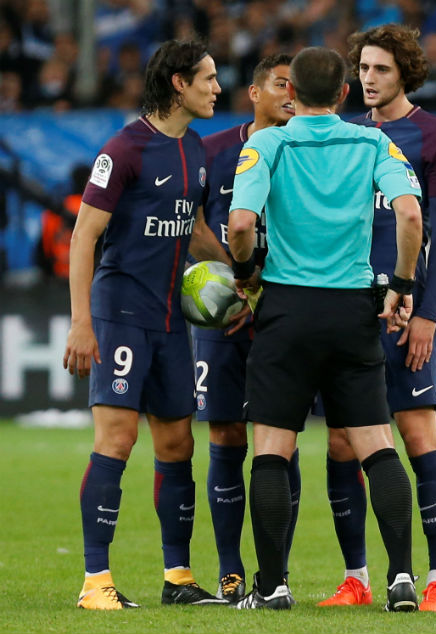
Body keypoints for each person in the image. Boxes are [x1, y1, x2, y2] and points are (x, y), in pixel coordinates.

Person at [227, 46, 423, 612]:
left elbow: (241, 224)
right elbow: (410, 215)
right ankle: (402, 581)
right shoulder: (372, 142)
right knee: (376, 447)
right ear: (342, 93)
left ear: (291, 94)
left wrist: (245, 276)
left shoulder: (266, 143)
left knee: (271, 450)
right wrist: (402, 287)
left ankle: (273, 587)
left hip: (286, 310)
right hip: (351, 312)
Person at [62, 39, 230, 610]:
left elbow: (198, 231)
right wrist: (81, 322)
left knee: (178, 442)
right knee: (117, 438)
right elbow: (84, 236)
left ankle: (178, 578)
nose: (217, 87)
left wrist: (243, 277)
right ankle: (95, 582)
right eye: (207, 78)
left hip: (169, 322)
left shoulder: (197, 149)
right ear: (178, 84)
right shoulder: (124, 149)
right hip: (120, 313)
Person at [315, 24, 436, 613]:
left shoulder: (433, 136)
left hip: (403, 316)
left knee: (418, 434)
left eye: (380, 69)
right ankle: (357, 577)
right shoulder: (343, 134)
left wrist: (427, 314)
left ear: (405, 72)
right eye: (363, 69)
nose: (368, 80)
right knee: (341, 446)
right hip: (347, 312)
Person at [195, 53, 295, 604]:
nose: (291, 94)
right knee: (226, 434)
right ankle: (231, 570)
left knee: (280, 442)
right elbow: (192, 225)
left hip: (283, 314)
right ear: (254, 93)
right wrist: (237, 283)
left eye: (298, 87)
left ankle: (276, 572)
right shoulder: (213, 152)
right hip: (225, 314)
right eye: (281, 85)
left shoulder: (306, 153)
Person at [37, 164, 89, 281]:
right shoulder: (91, 207)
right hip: (84, 274)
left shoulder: (58, 207)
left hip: (57, 271)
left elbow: (45, 245)